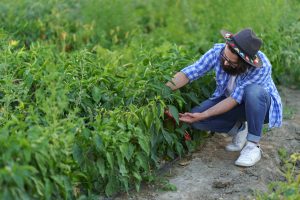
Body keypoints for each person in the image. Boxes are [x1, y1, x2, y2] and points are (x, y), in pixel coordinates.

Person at [166, 28, 282, 167]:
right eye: (225, 58)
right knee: (196, 120)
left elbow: (235, 99)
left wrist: (205, 114)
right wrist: (163, 90)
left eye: (232, 63)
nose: (225, 63)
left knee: (253, 92)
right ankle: (239, 128)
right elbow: (191, 72)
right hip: (231, 101)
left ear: (246, 63)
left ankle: (252, 146)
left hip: (261, 108)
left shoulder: (261, 67)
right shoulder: (218, 52)